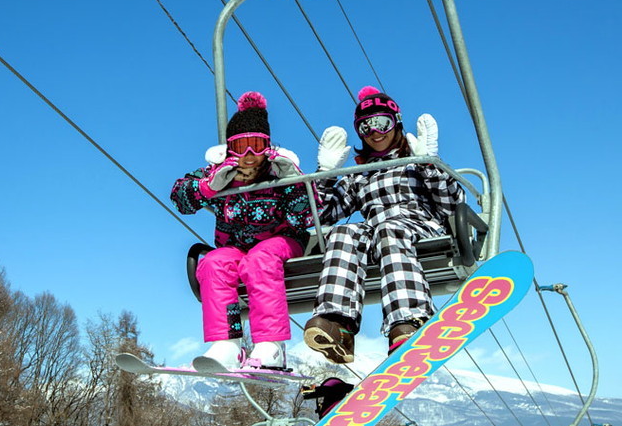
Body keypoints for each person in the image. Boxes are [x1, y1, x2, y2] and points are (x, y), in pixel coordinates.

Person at [303, 86, 466, 364]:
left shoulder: (414, 162)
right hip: (376, 233)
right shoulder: (361, 174)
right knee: (343, 231)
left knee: (390, 229)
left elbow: (452, 203)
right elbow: (322, 216)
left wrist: (429, 162)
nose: (375, 132)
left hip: (418, 226)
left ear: (396, 121)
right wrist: (325, 176)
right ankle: (337, 323)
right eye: (366, 127)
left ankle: (408, 321)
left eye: (381, 122)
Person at [170, 91, 313, 370]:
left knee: (259, 259)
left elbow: (305, 216)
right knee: (213, 263)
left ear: (268, 147)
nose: (249, 156)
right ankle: (227, 344)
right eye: (241, 146)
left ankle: (271, 345)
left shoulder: (278, 174)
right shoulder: (219, 174)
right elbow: (179, 198)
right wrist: (208, 186)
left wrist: (293, 181)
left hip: (282, 242)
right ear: (229, 149)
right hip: (235, 247)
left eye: (256, 145)